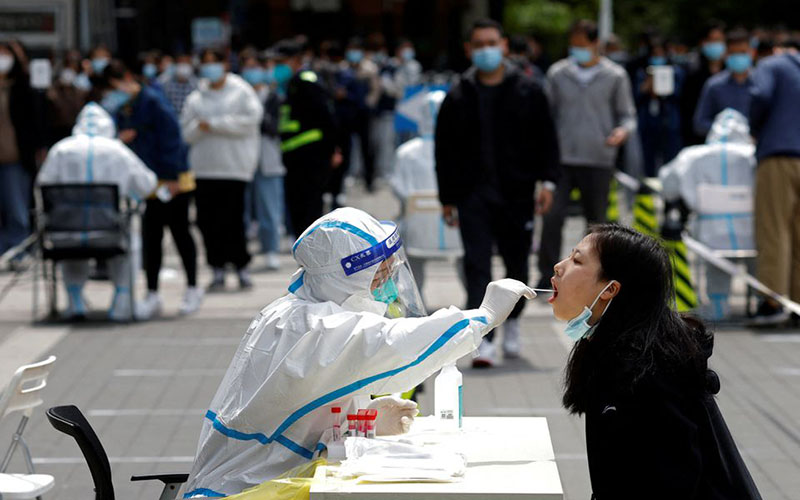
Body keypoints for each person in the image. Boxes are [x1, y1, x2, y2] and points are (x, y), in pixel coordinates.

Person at [183, 207, 536, 497]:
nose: (385, 287)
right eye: (377, 277)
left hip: (272, 480)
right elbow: (394, 344)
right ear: (340, 278)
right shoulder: (310, 328)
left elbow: (297, 403)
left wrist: (355, 422)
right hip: (245, 488)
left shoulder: (301, 312)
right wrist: (482, 317)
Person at [551, 224, 760, 498]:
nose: (558, 266)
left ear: (610, 289)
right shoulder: (607, 350)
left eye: (577, 260)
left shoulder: (648, 373)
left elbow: (671, 484)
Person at [435, 18, 560, 367]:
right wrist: (446, 197)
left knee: (516, 262)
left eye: (492, 42)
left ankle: (514, 323)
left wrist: (548, 182)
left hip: (517, 192)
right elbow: (443, 150)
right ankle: (483, 337)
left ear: (504, 46)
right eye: (479, 44)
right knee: (476, 264)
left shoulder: (528, 90)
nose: (486, 50)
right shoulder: (458, 94)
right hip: (472, 194)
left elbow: (547, 140)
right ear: (469, 50)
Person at [536, 20, 636, 293]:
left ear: (595, 45)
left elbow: (628, 116)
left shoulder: (614, 75)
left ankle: (592, 275)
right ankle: (547, 272)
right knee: (552, 217)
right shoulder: (558, 73)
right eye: (574, 45)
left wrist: (621, 132)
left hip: (598, 158)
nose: (577, 50)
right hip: (562, 160)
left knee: (597, 223)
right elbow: (546, 115)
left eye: (582, 45)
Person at [36, 103, 157, 320]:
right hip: (108, 234)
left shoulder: (61, 150)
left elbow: (43, 185)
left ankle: (75, 302)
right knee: (131, 243)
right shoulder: (117, 150)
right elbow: (147, 184)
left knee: (71, 249)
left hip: (65, 234)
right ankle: (122, 302)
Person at [103, 60, 202, 317]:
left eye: (116, 85)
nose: (115, 91)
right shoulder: (126, 107)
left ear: (127, 77)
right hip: (148, 181)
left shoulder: (153, 102)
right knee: (151, 237)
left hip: (172, 180)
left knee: (180, 232)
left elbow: (172, 139)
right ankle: (153, 293)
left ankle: (192, 288)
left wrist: (172, 177)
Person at [660, 109, 756, 320]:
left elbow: (668, 186)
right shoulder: (754, 155)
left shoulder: (693, 156)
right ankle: (760, 302)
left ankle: (718, 306)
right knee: (757, 263)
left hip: (710, 233)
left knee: (715, 265)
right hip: (751, 232)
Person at [181, 48, 263, 291]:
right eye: (204, 63)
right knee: (207, 221)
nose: (209, 68)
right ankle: (216, 266)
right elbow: (186, 131)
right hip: (204, 169)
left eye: (213, 63)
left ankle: (241, 266)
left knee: (233, 220)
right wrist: (201, 126)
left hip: (234, 168)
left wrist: (214, 124)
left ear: (224, 64)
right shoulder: (197, 97)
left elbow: (250, 121)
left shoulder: (241, 92)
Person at [748, 43, 800, 326]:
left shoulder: (771, 65)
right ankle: (797, 304)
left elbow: (760, 95)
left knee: (774, 230)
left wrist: (756, 129)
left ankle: (772, 301)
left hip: (779, 155)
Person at [390, 90, 463, 294]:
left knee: (411, 264)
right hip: (454, 227)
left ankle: (414, 303)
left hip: (417, 228)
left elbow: (398, 188)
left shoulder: (406, 152)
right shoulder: (462, 151)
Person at [274, 39, 340, 235]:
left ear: (295, 60)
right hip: (295, 157)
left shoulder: (307, 82)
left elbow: (327, 118)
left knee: (309, 211)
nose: (277, 67)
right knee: (298, 210)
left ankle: (314, 258)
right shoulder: (290, 84)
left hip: (311, 157)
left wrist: (333, 149)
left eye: (281, 61)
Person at [0, 41, 40, 260]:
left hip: (15, 158)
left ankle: (19, 250)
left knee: (17, 208)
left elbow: (34, 122)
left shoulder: (23, 87)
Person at [633, 37, 684, 177]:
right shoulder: (642, 73)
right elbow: (635, 97)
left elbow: (678, 95)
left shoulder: (676, 72)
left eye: (661, 54)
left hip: (669, 123)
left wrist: (663, 88)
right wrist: (647, 86)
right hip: (648, 123)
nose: (658, 58)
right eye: (654, 55)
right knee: (648, 160)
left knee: (671, 160)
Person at [693, 29, 755, 137]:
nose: (738, 57)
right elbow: (700, 123)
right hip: (724, 149)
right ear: (725, 54)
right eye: (733, 53)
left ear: (752, 52)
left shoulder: (764, 84)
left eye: (742, 52)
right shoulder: (714, 85)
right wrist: (726, 130)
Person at [681, 21, 727, 146]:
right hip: (698, 138)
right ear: (703, 43)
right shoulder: (692, 70)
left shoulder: (731, 70)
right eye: (712, 40)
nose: (716, 44)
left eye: (719, 40)